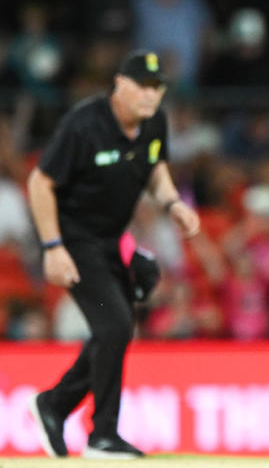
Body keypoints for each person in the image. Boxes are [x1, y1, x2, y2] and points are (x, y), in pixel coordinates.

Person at [26, 49, 200, 459]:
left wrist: (172, 203)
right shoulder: (84, 125)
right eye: (142, 85)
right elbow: (39, 183)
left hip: (111, 237)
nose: (150, 95)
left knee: (116, 328)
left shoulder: (154, 122)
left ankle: (54, 405)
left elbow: (155, 167)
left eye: (157, 88)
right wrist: (52, 248)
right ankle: (101, 435)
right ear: (119, 85)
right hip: (73, 238)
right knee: (116, 325)